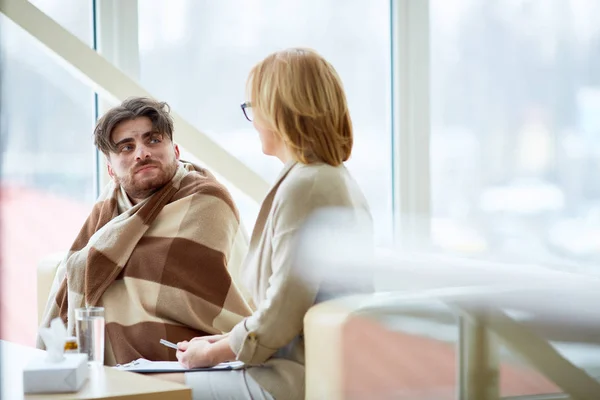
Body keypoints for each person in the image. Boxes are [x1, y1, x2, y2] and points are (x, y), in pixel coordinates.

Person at [172, 48, 373, 400]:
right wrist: (220, 342)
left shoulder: (306, 186)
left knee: (144, 391)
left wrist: (212, 354)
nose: (253, 120)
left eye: (254, 107)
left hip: (289, 380)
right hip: (309, 370)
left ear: (281, 111)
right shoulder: (332, 179)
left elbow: (283, 313)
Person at [37, 97, 252, 366]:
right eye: (126, 147)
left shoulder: (208, 199)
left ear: (174, 150)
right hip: (107, 366)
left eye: (152, 140)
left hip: (194, 358)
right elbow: (77, 266)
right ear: (110, 170)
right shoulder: (108, 207)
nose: (141, 153)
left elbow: (185, 288)